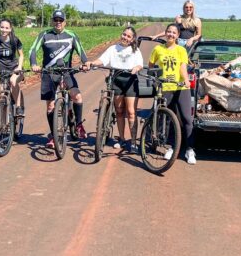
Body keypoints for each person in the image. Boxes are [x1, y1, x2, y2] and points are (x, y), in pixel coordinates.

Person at [29, 10, 88, 148]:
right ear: (52, 21)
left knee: (77, 97)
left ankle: (78, 124)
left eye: (60, 20)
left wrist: (85, 63)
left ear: (64, 22)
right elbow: (32, 50)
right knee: (50, 106)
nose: (58, 23)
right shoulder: (44, 34)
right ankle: (53, 135)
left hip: (66, 72)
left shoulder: (71, 35)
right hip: (49, 73)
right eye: (55, 20)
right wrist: (34, 64)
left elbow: (81, 51)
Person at [83, 27, 143, 153]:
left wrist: (136, 68)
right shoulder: (113, 49)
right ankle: (121, 139)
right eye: (124, 34)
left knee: (131, 112)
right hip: (116, 79)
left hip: (131, 80)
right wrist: (92, 63)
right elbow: (102, 60)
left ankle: (132, 143)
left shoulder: (135, 50)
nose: (125, 38)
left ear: (132, 39)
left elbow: (140, 64)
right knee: (120, 111)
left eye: (128, 36)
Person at [148, 23, 196, 164]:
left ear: (177, 35)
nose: (171, 34)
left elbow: (182, 67)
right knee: (167, 118)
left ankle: (189, 150)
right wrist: (155, 78)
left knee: (187, 119)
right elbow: (151, 66)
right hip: (165, 87)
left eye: (174, 33)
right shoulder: (158, 49)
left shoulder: (181, 50)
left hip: (181, 87)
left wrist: (186, 80)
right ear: (165, 33)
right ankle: (171, 147)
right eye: (169, 32)